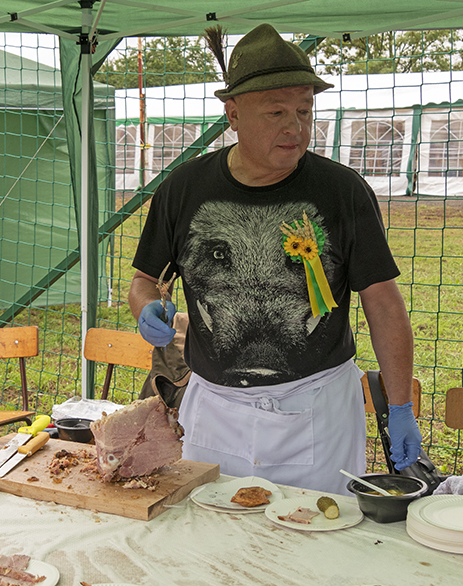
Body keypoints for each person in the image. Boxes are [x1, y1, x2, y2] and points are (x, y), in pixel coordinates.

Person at [128, 23, 421, 495]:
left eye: (305, 111)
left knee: (317, 545)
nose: (296, 127)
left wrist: (401, 406)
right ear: (233, 114)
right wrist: (145, 308)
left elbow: (383, 304)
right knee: (210, 545)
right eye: (277, 112)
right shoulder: (183, 190)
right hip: (215, 413)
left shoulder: (342, 192)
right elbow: (145, 279)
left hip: (318, 412)